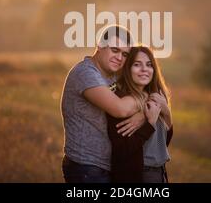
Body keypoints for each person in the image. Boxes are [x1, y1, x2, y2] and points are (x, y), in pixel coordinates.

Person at [61, 25, 152, 183]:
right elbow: (120, 109)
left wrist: (142, 114)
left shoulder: (115, 76)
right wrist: (144, 101)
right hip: (86, 168)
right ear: (100, 45)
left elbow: (150, 90)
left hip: (108, 166)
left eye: (125, 54)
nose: (119, 58)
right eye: (115, 50)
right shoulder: (85, 73)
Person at [107, 45, 173, 183]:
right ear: (127, 68)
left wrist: (167, 112)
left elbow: (162, 142)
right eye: (137, 64)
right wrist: (148, 123)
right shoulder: (120, 102)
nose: (144, 69)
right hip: (138, 175)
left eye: (149, 65)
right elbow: (122, 150)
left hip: (160, 172)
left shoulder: (156, 97)